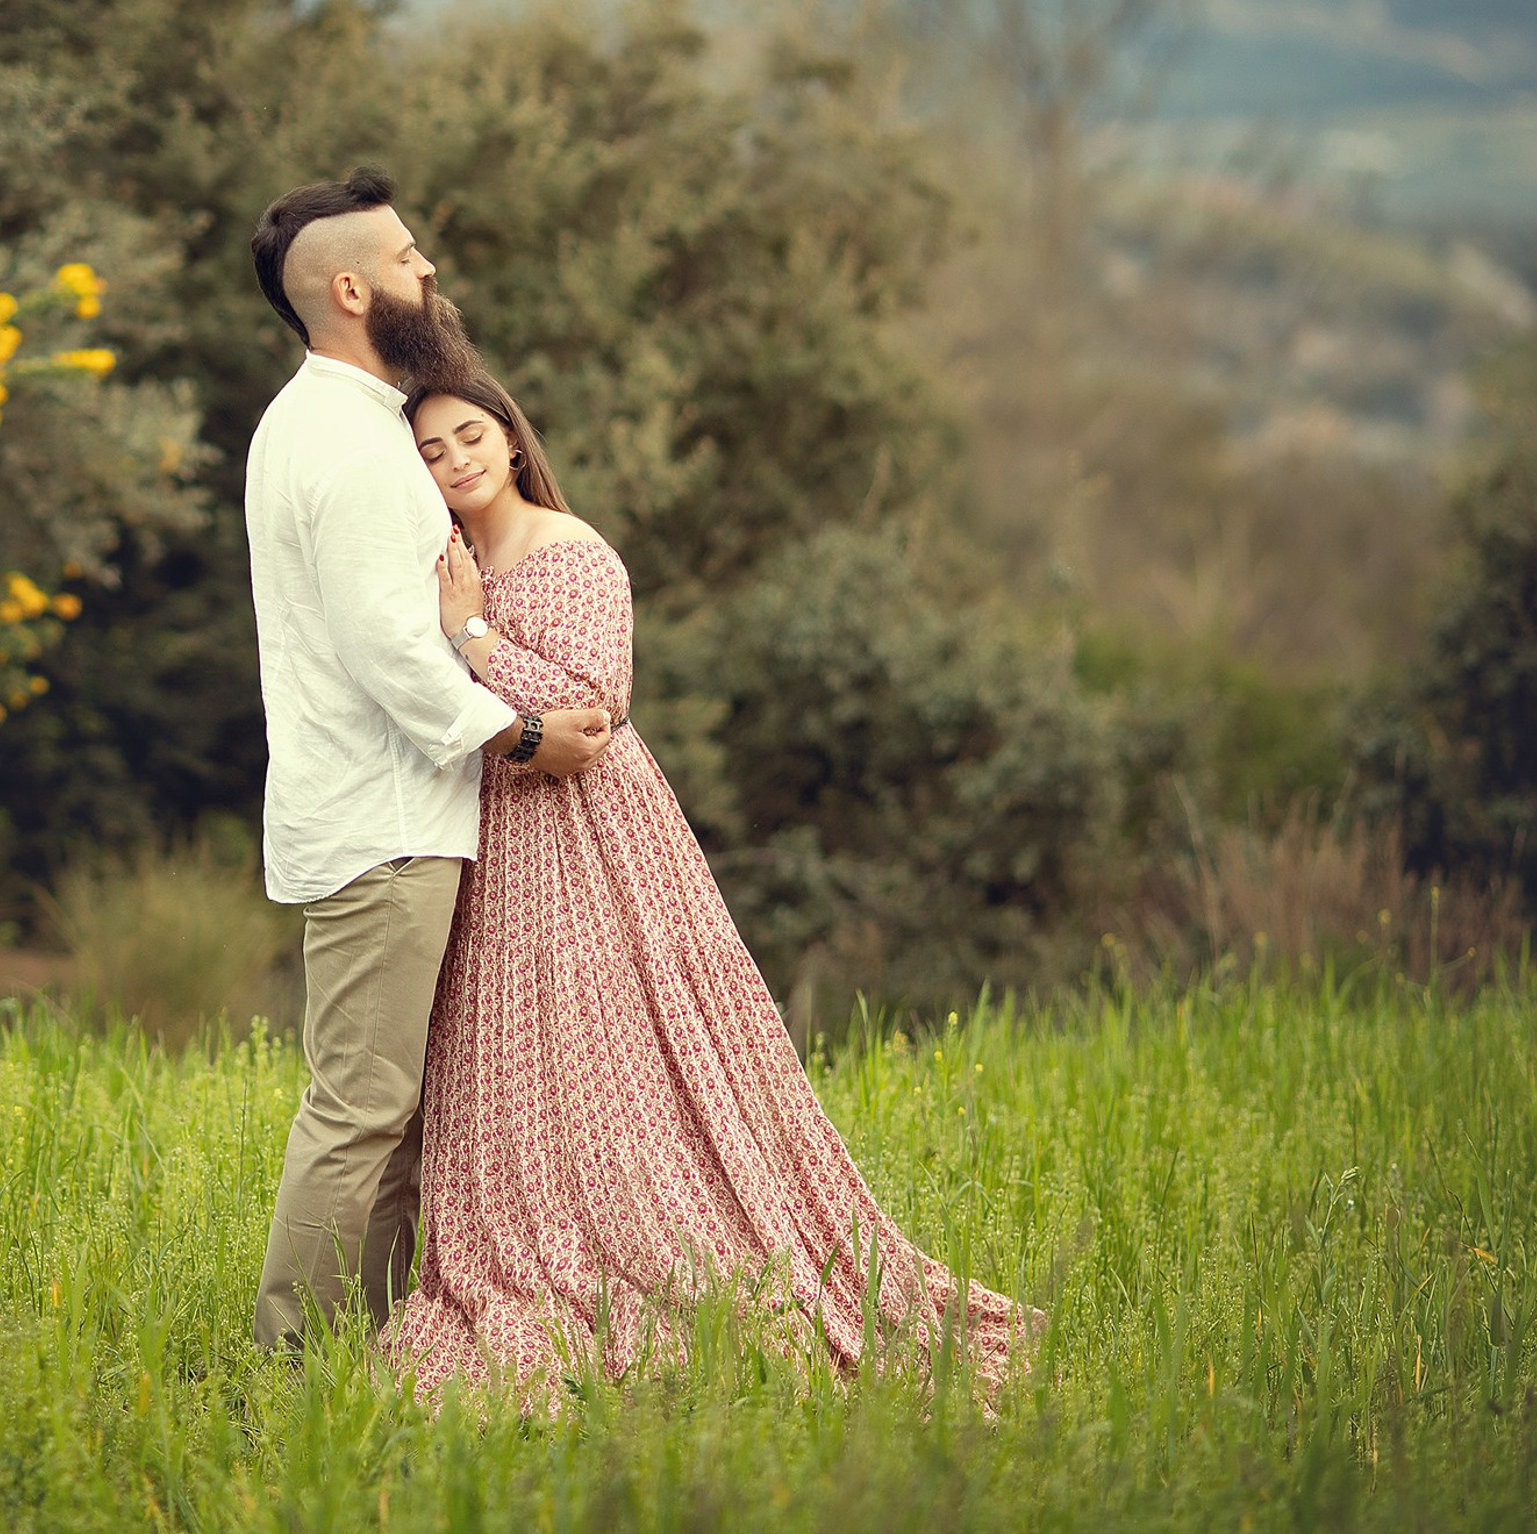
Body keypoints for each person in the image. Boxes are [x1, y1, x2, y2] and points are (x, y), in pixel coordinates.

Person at [378, 366, 1040, 1408]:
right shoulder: (444, 558)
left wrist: (473, 637)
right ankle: (517, 1237)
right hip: (492, 824)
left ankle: (656, 1235)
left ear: (509, 438)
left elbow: (594, 711)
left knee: (604, 1034)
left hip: (588, 831)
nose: (456, 459)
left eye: (469, 435)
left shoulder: (570, 550)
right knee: (509, 1040)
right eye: (430, 450)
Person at [243, 168, 616, 1351]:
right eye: (409, 257)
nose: (429, 272)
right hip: (384, 822)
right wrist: (519, 735)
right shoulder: (349, 448)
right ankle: (289, 1363)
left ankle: (375, 1343)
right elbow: (387, 654)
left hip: (390, 815)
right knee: (361, 1112)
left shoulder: (338, 423)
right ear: (350, 288)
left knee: (392, 1115)